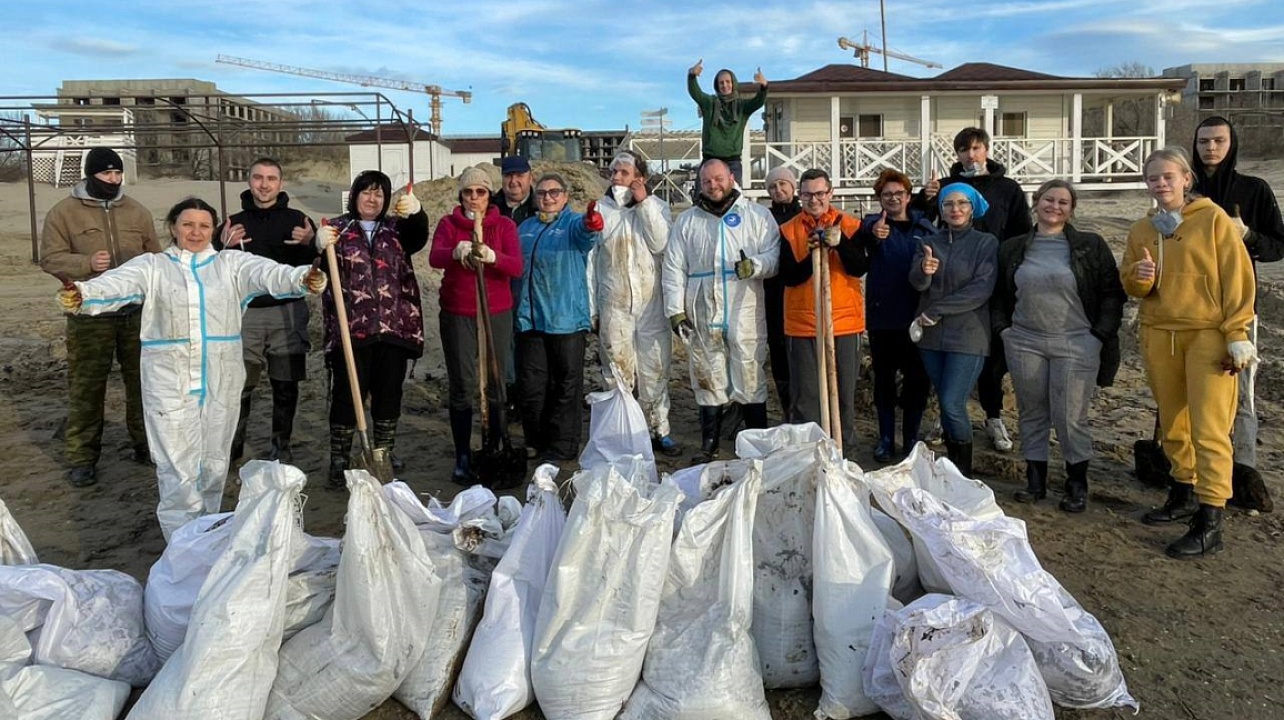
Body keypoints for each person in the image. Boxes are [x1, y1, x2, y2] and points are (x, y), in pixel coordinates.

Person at [58, 197, 326, 539]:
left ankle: (205, 533)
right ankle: (181, 543)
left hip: (220, 379)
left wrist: (302, 277)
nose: (196, 232)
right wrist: (83, 294)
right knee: (176, 464)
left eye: (203, 225)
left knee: (214, 461)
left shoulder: (230, 264)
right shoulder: (153, 266)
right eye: (187, 224)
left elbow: (268, 273)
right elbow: (117, 283)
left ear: (213, 229)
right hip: (168, 381)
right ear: (173, 227)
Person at [1123, 147, 1255, 559]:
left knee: (1210, 427)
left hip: (1207, 335)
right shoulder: (1142, 229)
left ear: (1186, 179)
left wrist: (1237, 332)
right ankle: (1182, 492)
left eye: (1168, 176)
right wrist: (1140, 277)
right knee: (1173, 422)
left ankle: (1210, 518)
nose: (1160, 183)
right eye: (1153, 178)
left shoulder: (1213, 219)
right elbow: (1133, 284)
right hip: (1160, 333)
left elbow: (1237, 276)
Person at [992, 179, 1125, 512]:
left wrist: (1098, 335)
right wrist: (1004, 331)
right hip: (1025, 341)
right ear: (1036, 202)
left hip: (1076, 342)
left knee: (1070, 416)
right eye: (1048, 200)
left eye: (1063, 202)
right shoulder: (1013, 248)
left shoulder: (1090, 246)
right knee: (1032, 412)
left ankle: (1076, 484)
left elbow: (1112, 293)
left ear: (1072, 209)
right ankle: (1035, 481)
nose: (1055, 207)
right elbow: (999, 295)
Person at [40, 147, 160, 487]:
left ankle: (145, 445)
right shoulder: (64, 213)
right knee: (87, 387)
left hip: (135, 313)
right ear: (90, 175)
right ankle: (82, 457)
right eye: (106, 173)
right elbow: (49, 258)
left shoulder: (137, 211)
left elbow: (155, 257)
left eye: (117, 173)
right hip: (90, 315)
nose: (113, 179)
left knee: (144, 384)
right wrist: (86, 264)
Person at [915, 127, 1032, 453]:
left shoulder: (1007, 188)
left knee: (990, 357)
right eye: (964, 150)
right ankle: (948, 416)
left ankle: (993, 416)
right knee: (946, 360)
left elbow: (1021, 233)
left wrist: (1009, 273)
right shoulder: (944, 187)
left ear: (987, 150)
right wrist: (925, 198)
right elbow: (921, 221)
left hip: (993, 281)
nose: (971, 155)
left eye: (976, 148)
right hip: (950, 282)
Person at [1191, 116, 1284, 511]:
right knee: (1185, 392)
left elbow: (1278, 246)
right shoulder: (1184, 188)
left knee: (1240, 390)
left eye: (1218, 141)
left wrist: (1246, 234)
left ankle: (1243, 470)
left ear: (1232, 144)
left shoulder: (1253, 189)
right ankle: (1186, 471)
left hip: (1238, 307)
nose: (1210, 148)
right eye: (1203, 141)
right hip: (1189, 305)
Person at [316, 170, 429, 486]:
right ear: (354, 196)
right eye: (366, 192)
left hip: (395, 328)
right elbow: (315, 268)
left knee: (388, 393)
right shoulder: (337, 229)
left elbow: (418, 235)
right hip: (350, 330)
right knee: (346, 396)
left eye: (379, 194)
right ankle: (340, 459)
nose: (372, 199)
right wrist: (317, 245)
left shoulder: (396, 228)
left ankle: (383, 452)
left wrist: (417, 212)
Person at [663, 159, 779, 462]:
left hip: (744, 305)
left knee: (749, 372)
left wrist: (755, 265)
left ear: (731, 178)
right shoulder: (688, 221)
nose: (713, 186)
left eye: (718, 179)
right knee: (707, 373)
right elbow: (673, 267)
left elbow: (774, 254)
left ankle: (756, 443)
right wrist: (675, 310)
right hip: (702, 307)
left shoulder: (756, 215)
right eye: (706, 181)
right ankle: (709, 445)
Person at [429, 167, 523, 484]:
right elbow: (435, 258)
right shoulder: (449, 224)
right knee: (462, 384)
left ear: (489, 195)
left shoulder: (504, 225)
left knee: (496, 382)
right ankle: (463, 455)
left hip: (495, 311)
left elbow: (516, 266)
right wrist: (456, 251)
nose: (474, 198)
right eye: (468, 192)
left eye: (480, 192)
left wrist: (494, 257)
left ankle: (495, 445)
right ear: (461, 196)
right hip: (458, 312)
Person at [221, 157, 316, 464]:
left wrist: (311, 243)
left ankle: (280, 446)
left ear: (280, 183)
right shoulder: (233, 223)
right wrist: (221, 246)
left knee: (285, 384)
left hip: (287, 312)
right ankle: (233, 446)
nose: (264, 185)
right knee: (239, 384)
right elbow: (214, 268)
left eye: (271, 179)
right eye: (258, 178)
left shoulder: (299, 220)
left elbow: (316, 268)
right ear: (249, 181)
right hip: (245, 314)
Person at [908, 183, 999, 477]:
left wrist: (935, 310)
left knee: (952, 402)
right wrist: (924, 271)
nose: (955, 209)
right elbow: (917, 284)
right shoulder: (928, 242)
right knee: (946, 404)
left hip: (968, 335)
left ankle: (963, 472)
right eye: (948, 204)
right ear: (941, 210)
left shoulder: (986, 243)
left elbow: (981, 290)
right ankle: (952, 472)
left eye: (962, 203)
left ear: (972, 208)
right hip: (931, 338)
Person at [593, 152, 681, 456]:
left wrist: (643, 203)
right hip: (614, 304)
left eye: (624, 172)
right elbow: (591, 261)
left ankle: (658, 428)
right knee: (617, 370)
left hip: (651, 305)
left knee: (655, 368)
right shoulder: (601, 210)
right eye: (614, 172)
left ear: (639, 177)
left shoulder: (657, 207)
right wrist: (593, 310)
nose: (617, 177)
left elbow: (661, 243)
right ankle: (621, 432)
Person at [514, 173, 602, 461]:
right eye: (541, 193)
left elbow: (586, 234)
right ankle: (536, 440)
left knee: (565, 386)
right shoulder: (526, 228)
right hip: (530, 320)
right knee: (532, 386)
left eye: (554, 192)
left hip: (565, 320)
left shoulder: (572, 224)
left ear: (565, 197)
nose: (548, 198)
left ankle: (562, 446)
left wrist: (591, 223)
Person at [776, 168, 866, 452]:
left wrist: (839, 244)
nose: (813, 200)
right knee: (807, 398)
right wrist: (812, 251)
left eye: (819, 194)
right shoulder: (789, 230)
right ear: (800, 196)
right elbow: (788, 277)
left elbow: (859, 267)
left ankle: (843, 452)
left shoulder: (850, 225)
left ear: (830, 194)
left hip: (844, 323)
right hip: (803, 325)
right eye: (807, 195)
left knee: (843, 395)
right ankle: (809, 455)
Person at [858, 169, 935, 463]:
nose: (893, 199)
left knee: (917, 381)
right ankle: (886, 438)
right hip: (883, 318)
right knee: (884, 382)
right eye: (886, 194)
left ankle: (911, 437)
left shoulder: (923, 227)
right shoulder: (873, 224)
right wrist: (874, 235)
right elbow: (865, 235)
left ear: (908, 196)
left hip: (916, 318)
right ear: (879, 198)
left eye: (898, 193)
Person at [687, 59, 767, 185]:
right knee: (701, 195)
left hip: (732, 162)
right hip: (710, 160)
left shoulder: (742, 106)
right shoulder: (709, 103)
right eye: (721, 83)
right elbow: (695, 93)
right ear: (717, 85)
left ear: (733, 83)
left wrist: (764, 86)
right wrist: (692, 76)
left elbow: (758, 102)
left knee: (734, 196)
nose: (725, 85)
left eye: (728, 82)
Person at [764, 166, 801, 416]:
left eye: (782, 184)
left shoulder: (803, 215)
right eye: (773, 187)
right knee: (778, 349)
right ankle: (788, 408)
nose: (778, 190)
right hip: (773, 293)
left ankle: (804, 407)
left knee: (800, 351)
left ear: (792, 186)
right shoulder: (764, 219)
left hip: (799, 290)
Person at [493, 156, 539, 228]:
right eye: (508, 175)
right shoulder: (490, 207)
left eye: (519, 175)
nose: (513, 181)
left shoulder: (541, 207)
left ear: (530, 178)